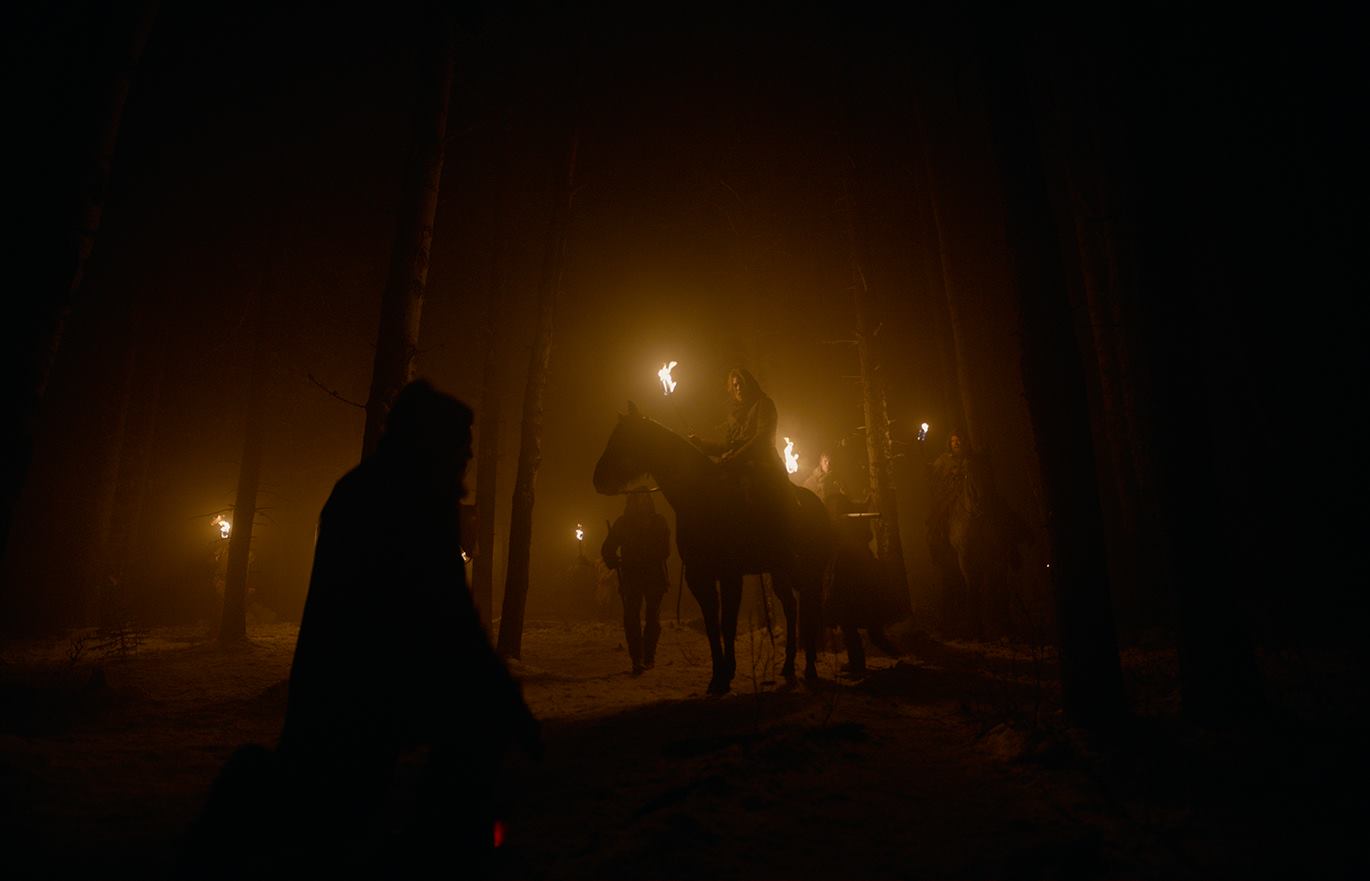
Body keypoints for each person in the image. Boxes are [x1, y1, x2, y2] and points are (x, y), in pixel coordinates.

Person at [268, 380, 539, 875]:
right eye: (461, 445)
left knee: (342, 815)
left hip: (348, 681)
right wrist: (505, 702)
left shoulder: (366, 487)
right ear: (433, 442)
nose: (469, 456)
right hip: (364, 685)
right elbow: (447, 610)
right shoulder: (413, 498)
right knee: (347, 816)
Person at [688, 367, 796, 521]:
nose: (738, 388)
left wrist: (735, 458)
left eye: (741, 384)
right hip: (738, 466)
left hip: (764, 465)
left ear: (749, 384)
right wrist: (702, 444)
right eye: (735, 385)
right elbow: (728, 446)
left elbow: (762, 439)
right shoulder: (734, 415)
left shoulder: (764, 405)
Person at [824, 486, 901, 675]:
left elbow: (853, 541)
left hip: (852, 575)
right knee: (852, 624)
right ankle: (864, 661)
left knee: (852, 622)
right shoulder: (843, 525)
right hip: (854, 571)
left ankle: (890, 659)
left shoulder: (851, 526)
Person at [601, 491, 671, 674]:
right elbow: (608, 547)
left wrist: (645, 556)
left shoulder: (658, 522)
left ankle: (648, 657)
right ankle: (636, 658)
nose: (643, 502)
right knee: (631, 617)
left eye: (646, 498)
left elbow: (665, 550)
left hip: (654, 575)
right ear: (632, 502)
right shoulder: (623, 523)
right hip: (632, 576)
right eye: (639, 499)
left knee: (652, 617)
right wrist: (612, 559)